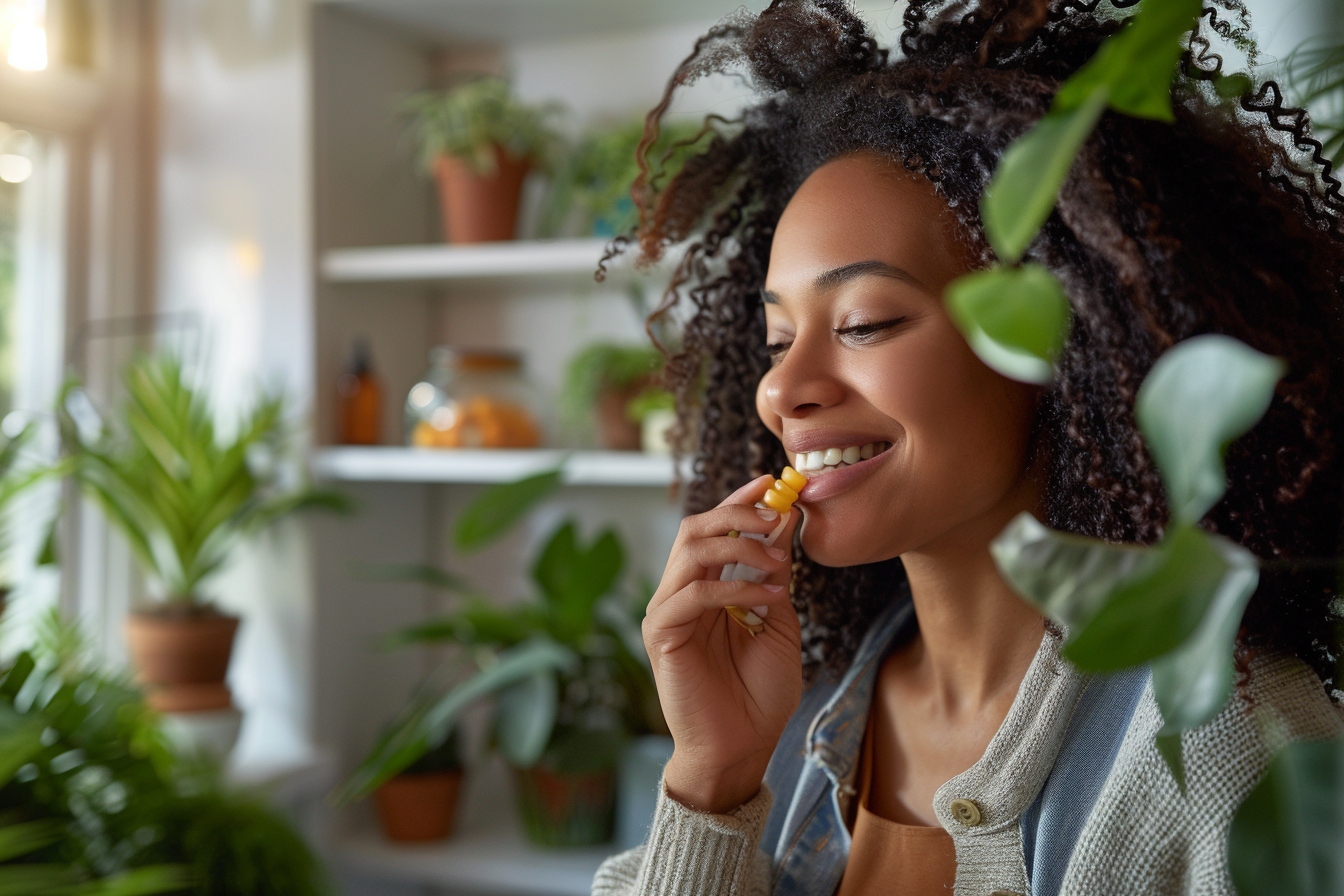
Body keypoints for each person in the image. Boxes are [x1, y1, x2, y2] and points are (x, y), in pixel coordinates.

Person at [593, 1, 1344, 894]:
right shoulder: (787, 714)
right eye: (776, 340)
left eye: (866, 322)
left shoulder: (1236, 746)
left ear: (1062, 346)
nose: (782, 390)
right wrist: (712, 781)